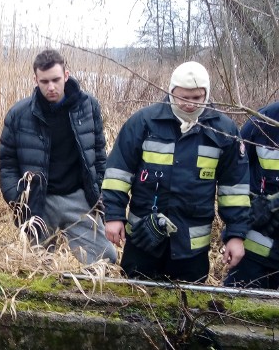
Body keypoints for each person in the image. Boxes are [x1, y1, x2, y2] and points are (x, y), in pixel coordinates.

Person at [102, 61, 249, 282]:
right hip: (143, 239)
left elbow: (234, 188)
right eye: (182, 97)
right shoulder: (143, 122)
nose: (189, 104)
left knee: (188, 308)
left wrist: (236, 235)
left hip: (192, 248)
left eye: (197, 98)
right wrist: (113, 215)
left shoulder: (224, 131)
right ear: (171, 91)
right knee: (134, 307)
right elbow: (118, 172)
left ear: (206, 94)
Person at [0, 49, 117, 264]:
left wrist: (99, 193)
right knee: (37, 267)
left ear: (66, 75)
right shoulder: (19, 114)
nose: (50, 87)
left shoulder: (88, 106)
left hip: (78, 198)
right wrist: (18, 201)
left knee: (105, 260)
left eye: (56, 80)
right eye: (44, 81)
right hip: (39, 202)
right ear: (35, 79)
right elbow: (7, 163)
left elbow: (99, 155)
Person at [225, 101, 279, 289]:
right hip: (256, 250)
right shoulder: (263, 122)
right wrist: (235, 231)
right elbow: (234, 175)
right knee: (232, 311)